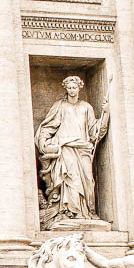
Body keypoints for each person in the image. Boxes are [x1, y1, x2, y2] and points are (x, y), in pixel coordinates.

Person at [35, 75, 108, 229]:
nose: (72, 90)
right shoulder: (60, 106)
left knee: (88, 180)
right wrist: (44, 143)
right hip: (66, 148)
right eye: (69, 87)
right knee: (71, 180)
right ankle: (70, 213)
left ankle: (86, 212)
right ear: (65, 88)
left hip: (83, 149)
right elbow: (48, 127)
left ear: (79, 88)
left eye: (74, 87)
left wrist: (106, 114)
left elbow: (95, 132)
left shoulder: (86, 107)